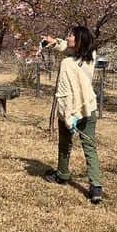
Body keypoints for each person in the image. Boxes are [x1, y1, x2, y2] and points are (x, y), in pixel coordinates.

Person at [41, 26, 103, 204]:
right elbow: (68, 49)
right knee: (90, 147)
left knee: (65, 144)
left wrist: (66, 115)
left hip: (71, 110)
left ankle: (62, 175)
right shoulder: (91, 56)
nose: (67, 38)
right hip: (88, 108)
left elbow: (64, 93)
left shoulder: (67, 64)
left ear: (78, 40)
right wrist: (55, 43)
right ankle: (96, 186)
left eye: (70, 36)